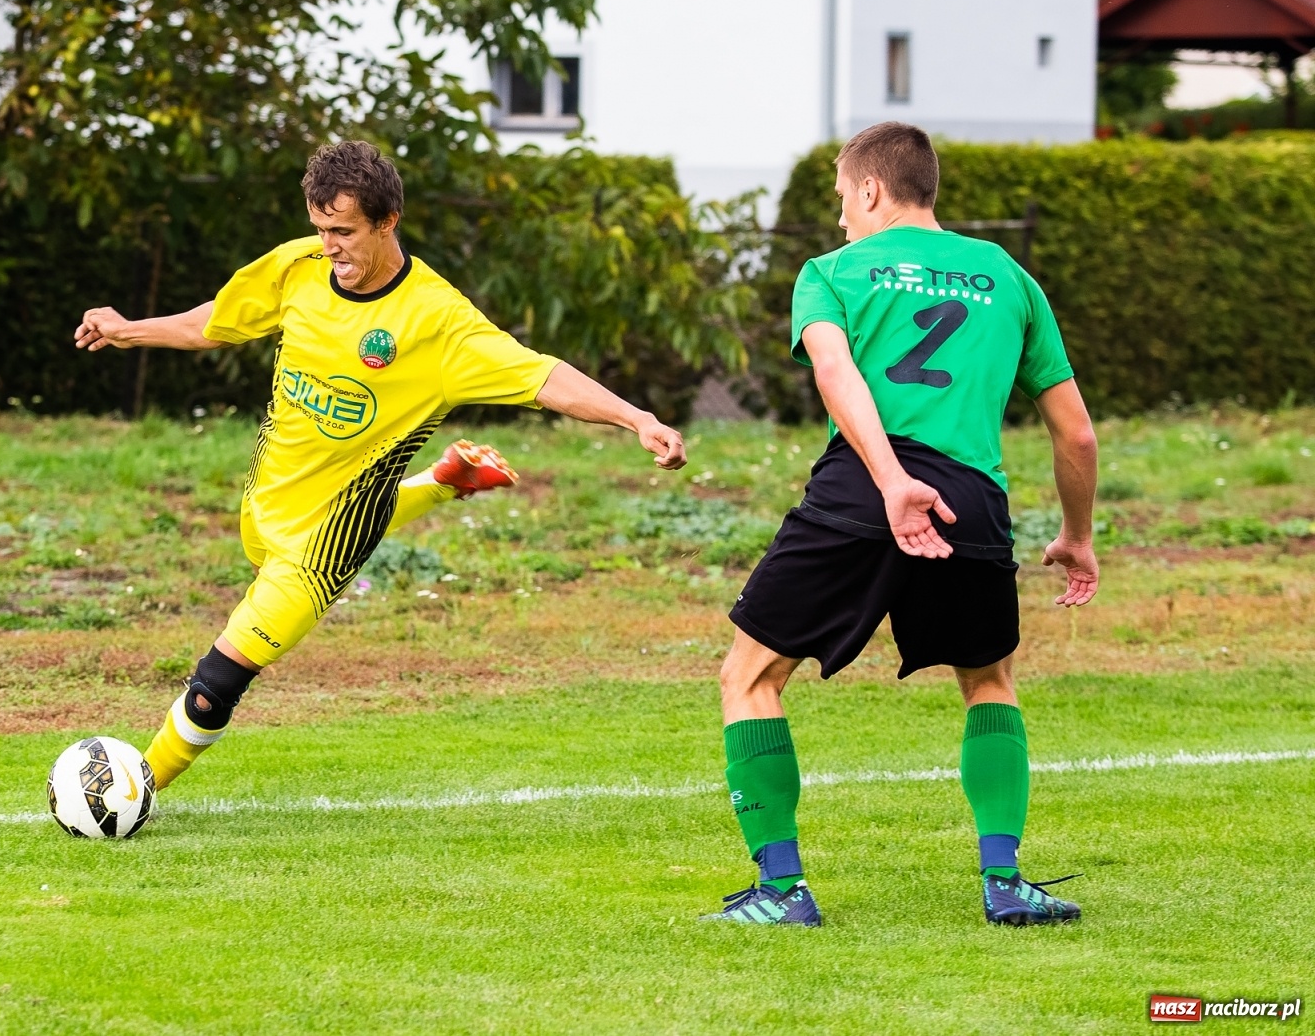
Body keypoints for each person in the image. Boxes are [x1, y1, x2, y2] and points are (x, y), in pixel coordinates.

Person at [75, 140, 686, 791]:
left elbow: (543, 377)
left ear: (387, 220)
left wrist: (637, 418)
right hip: (264, 507)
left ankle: (131, 790)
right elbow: (217, 323)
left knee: (217, 681)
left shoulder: (439, 322)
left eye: (342, 231)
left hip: (320, 552)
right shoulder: (297, 267)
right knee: (346, 509)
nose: (327, 245)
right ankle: (448, 480)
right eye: (319, 229)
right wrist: (130, 328)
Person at [706, 122, 1099, 927]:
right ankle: (1004, 882)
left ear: (873, 190)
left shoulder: (831, 271)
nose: (843, 215)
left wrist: (889, 480)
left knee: (749, 676)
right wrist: (1077, 534)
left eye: (844, 198)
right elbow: (1077, 432)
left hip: (863, 490)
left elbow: (833, 370)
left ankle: (781, 891)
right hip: (972, 501)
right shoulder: (1008, 276)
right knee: (988, 681)